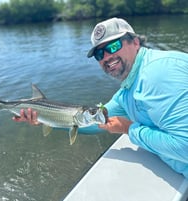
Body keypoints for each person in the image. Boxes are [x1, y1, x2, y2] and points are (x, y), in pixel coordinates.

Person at [13, 17, 188, 178]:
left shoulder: (158, 73)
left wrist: (129, 129)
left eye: (112, 47)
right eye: (99, 54)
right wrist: (46, 119)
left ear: (135, 42)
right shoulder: (126, 92)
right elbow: (97, 122)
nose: (106, 57)